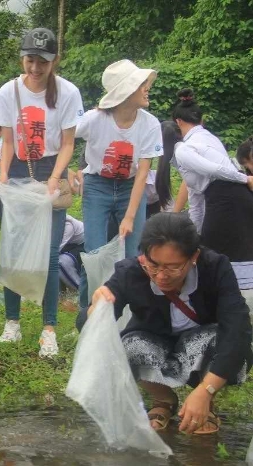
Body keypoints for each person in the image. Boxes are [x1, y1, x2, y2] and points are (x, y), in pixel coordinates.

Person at [88, 213, 252, 434]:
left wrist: (206, 390)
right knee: (127, 345)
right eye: (153, 265)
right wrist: (96, 309)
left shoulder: (215, 267)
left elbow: (237, 327)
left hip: (201, 346)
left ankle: (204, 403)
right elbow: (92, 327)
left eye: (173, 267)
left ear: (194, 256)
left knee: (221, 339)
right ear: (144, 255)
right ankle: (163, 399)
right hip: (156, 343)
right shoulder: (130, 273)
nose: (161, 276)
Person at [0, 28, 84, 354]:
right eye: (30, 60)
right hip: (17, 169)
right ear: (22, 58)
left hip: (49, 170)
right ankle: (12, 323)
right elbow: (6, 139)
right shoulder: (9, 91)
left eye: (42, 61)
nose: (35, 68)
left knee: (50, 252)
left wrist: (55, 178)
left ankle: (49, 329)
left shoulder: (68, 93)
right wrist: (2, 175)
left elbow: (69, 142)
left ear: (54, 60)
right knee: (13, 247)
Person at [76, 59, 163, 328]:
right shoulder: (94, 120)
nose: (147, 88)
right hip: (97, 186)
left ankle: (127, 318)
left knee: (134, 254)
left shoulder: (149, 124)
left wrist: (130, 216)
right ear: (126, 92)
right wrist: (66, 173)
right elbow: (64, 138)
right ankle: (86, 314)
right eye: (142, 85)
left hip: (129, 188)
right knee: (94, 251)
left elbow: (144, 171)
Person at [155, 90, 253, 293]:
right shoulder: (207, 138)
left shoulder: (184, 149)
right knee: (223, 247)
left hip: (226, 198)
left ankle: (227, 297)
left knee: (217, 253)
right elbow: (196, 196)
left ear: (179, 122)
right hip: (232, 198)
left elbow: (215, 170)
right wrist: (196, 233)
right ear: (203, 119)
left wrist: (246, 178)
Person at [58, 215, 85, 291]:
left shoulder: (68, 225)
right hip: (69, 245)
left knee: (61, 262)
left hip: (83, 245)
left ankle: (79, 290)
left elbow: (54, 251)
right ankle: (60, 296)